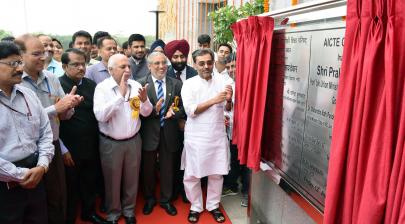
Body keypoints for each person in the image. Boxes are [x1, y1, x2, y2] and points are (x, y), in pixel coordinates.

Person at [16, 34, 83, 224]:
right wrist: (56, 108)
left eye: (44, 52)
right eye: (36, 53)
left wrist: (70, 106)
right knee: (35, 204)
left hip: (52, 146)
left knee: (58, 197)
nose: (44, 57)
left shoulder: (51, 78)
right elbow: (24, 121)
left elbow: (62, 115)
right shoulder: (16, 82)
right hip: (28, 153)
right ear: (20, 55)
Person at [93, 54, 153, 223]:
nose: (127, 70)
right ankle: (113, 213)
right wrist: (120, 96)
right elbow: (100, 116)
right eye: (122, 67)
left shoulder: (135, 85)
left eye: (128, 66)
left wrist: (145, 101)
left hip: (133, 140)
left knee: (132, 179)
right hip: (111, 143)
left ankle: (129, 211)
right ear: (110, 70)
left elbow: (146, 112)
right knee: (112, 180)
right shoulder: (102, 88)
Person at [0, 41, 54, 224]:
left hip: (37, 176)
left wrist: (42, 165)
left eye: (20, 63)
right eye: (13, 64)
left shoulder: (28, 95)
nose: (20, 69)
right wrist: (20, 175)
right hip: (5, 185)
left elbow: (46, 132)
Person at [181, 49, 233, 223]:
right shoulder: (188, 84)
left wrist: (228, 101)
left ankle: (213, 205)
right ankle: (195, 206)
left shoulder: (223, 81)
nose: (206, 66)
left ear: (213, 62)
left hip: (217, 134)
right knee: (192, 174)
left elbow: (227, 110)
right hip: (196, 136)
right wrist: (214, 100)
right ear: (194, 64)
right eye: (201, 63)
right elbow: (191, 111)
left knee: (216, 173)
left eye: (209, 63)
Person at [59, 48, 108, 224]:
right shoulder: (58, 85)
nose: (81, 68)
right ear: (64, 66)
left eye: (83, 64)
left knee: (90, 180)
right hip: (69, 147)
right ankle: (70, 217)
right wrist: (63, 149)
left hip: (92, 143)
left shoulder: (90, 85)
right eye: (75, 64)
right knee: (70, 186)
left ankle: (89, 212)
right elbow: (53, 122)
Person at [138, 52, 184, 216]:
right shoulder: (140, 84)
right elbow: (136, 112)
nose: (161, 66)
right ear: (149, 66)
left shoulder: (176, 84)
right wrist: (154, 111)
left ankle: (166, 200)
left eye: (164, 63)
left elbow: (183, 107)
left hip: (170, 132)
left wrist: (175, 112)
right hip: (148, 133)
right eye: (156, 63)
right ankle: (149, 198)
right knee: (148, 169)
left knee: (168, 169)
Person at [164, 39, 197, 203]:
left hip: (193, 123)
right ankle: (174, 190)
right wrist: (177, 118)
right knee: (173, 159)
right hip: (170, 125)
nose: (179, 60)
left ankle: (188, 191)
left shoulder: (194, 74)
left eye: (182, 56)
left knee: (190, 160)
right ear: (169, 57)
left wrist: (185, 119)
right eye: (175, 57)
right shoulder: (165, 73)